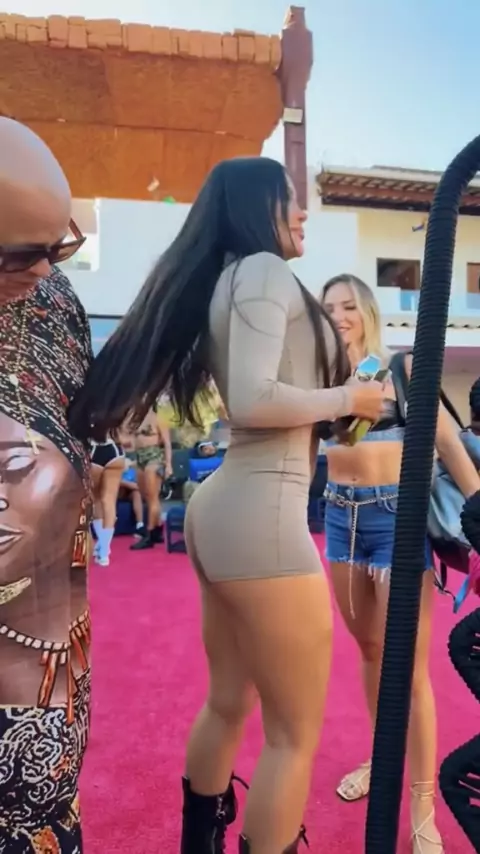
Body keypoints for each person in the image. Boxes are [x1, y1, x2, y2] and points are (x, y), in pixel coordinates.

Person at [68, 156, 386, 854]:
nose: (303, 212)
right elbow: (252, 398)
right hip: (261, 516)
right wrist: (351, 396)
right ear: (255, 208)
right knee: (293, 735)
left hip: (232, 510)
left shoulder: (230, 280)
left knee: (229, 701)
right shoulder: (263, 271)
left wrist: (340, 405)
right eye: (289, 199)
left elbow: (261, 395)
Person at [320, 274, 480, 854]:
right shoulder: (320, 381)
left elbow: (449, 446)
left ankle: (422, 805)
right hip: (339, 520)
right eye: (328, 308)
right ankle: (380, 755)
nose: (338, 316)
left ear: (367, 310)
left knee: (408, 671)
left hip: (397, 520)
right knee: (368, 651)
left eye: (348, 306)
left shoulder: (401, 369)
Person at [0, 118, 92, 853]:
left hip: (52, 648)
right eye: (19, 253)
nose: (43, 266)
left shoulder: (55, 299)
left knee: (46, 812)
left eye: (58, 245)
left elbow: (83, 420)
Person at [128, 405, 172, 549]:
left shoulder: (159, 418)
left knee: (152, 497)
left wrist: (168, 464)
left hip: (154, 456)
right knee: (146, 496)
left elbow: (167, 443)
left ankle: (149, 534)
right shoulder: (135, 418)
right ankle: (157, 529)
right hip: (139, 456)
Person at [90, 433, 125, 565]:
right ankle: (104, 552)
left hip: (93, 447)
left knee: (95, 498)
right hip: (115, 450)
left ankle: (103, 546)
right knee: (109, 500)